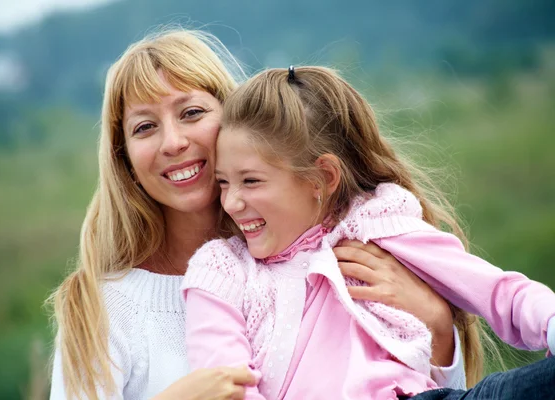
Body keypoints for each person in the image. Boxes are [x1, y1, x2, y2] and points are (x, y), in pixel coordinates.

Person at [48, 30, 467, 400]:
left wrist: (438, 327)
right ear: (126, 162)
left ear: (236, 120)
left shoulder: (328, 257)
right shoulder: (103, 308)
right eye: (144, 127)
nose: (173, 142)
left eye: (191, 113)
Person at [181, 66, 555, 399]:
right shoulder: (222, 270)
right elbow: (226, 384)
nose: (231, 202)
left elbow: (500, 292)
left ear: (322, 178)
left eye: (251, 181)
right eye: (223, 183)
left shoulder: (377, 225)